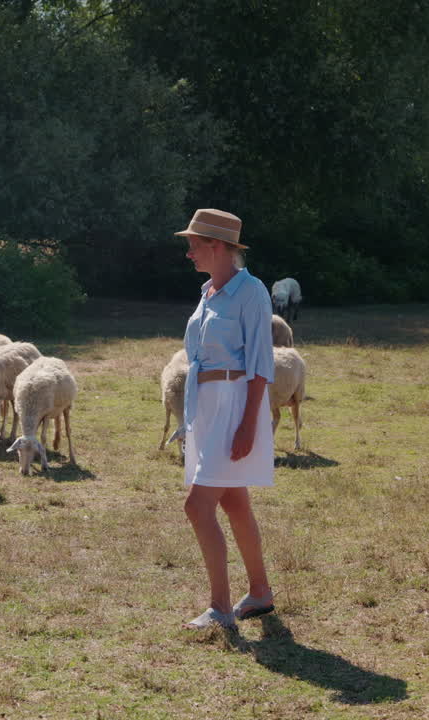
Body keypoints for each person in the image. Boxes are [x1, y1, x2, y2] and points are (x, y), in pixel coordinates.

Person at [174, 209, 276, 630]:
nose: (189, 252)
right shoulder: (207, 292)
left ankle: (219, 608)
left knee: (197, 507)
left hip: (234, 403)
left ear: (216, 246)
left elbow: (261, 364)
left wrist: (249, 423)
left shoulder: (251, 292)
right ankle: (260, 593)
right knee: (233, 502)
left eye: (193, 244)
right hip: (208, 403)